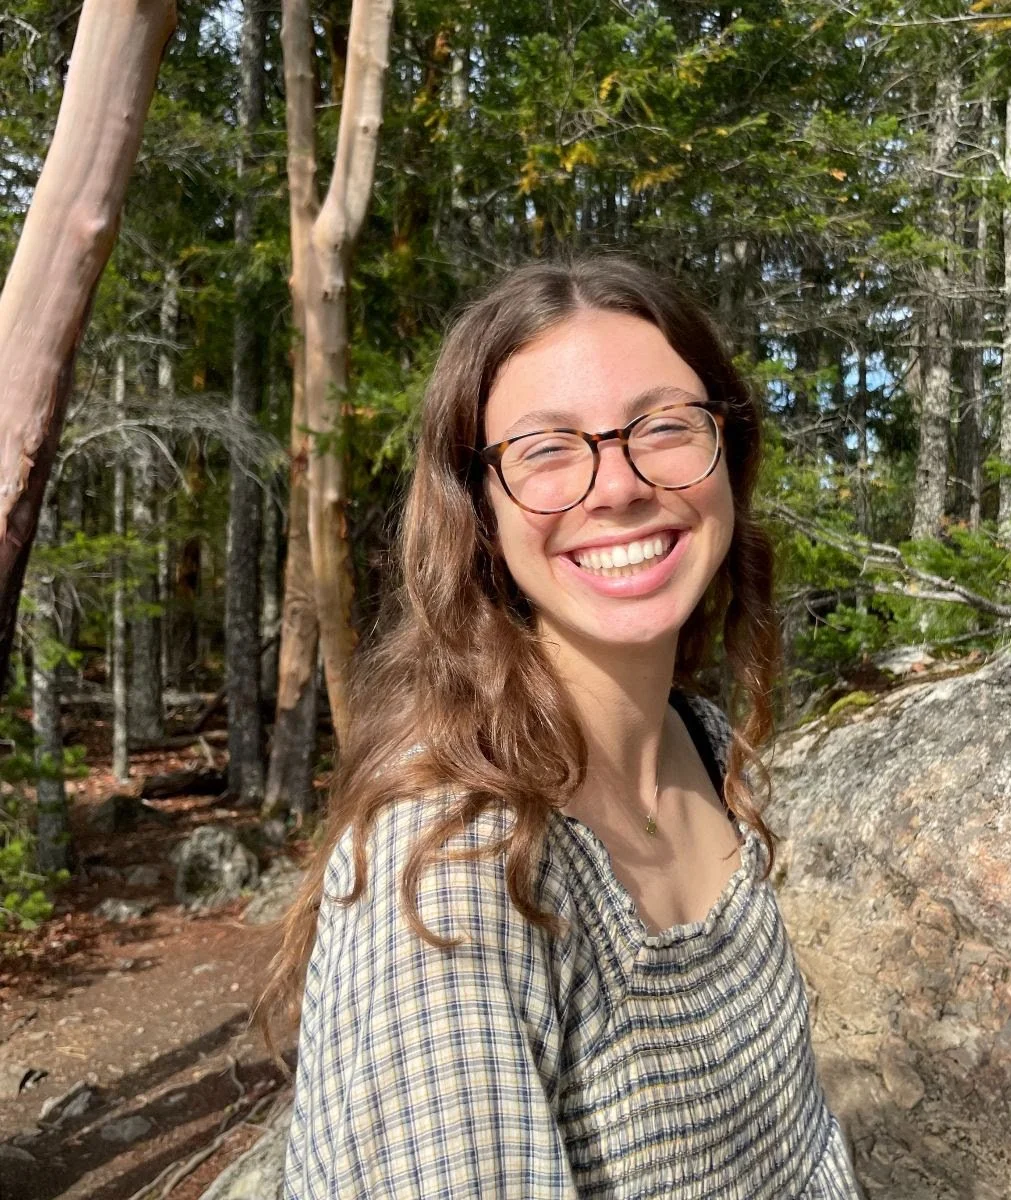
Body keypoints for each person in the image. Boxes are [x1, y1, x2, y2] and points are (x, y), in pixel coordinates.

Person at [262, 257, 862, 1198]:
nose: (617, 485)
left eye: (664, 427)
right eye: (547, 449)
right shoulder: (455, 872)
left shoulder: (698, 742)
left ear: (727, 457)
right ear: (479, 513)